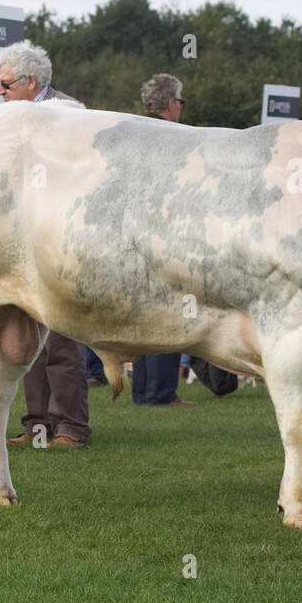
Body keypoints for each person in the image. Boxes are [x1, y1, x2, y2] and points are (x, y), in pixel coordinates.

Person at [0, 41, 94, 448]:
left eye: (5, 85)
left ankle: (71, 425)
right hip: (23, 234)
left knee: (62, 335)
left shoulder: (69, 114)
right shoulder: (9, 118)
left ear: (30, 81)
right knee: (27, 333)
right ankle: (36, 425)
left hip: (61, 234)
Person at [131, 73, 195, 408]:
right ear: (171, 104)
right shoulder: (175, 137)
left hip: (133, 234)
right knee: (169, 312)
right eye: (181, 102)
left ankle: (143, 390)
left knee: (144, 312)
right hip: (166, 233)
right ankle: (161, 391)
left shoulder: (133, 133)